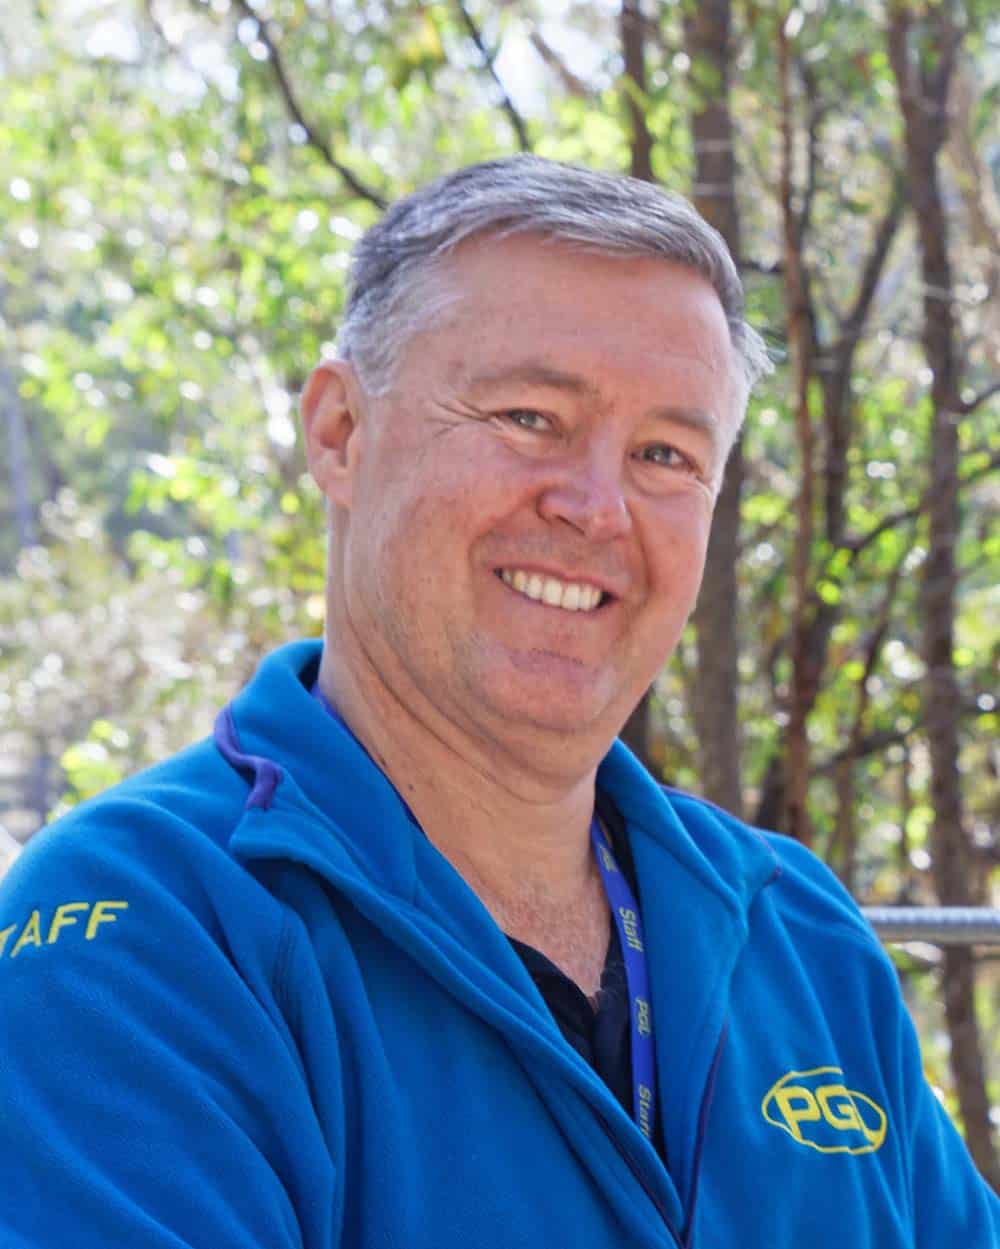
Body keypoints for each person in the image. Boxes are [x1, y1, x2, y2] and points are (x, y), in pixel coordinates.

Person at [0, 155, 996, 1249]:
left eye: (665, 453)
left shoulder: (797, 935)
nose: (595, 508)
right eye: (530, 417)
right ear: (339, 431)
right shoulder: (143, 931)